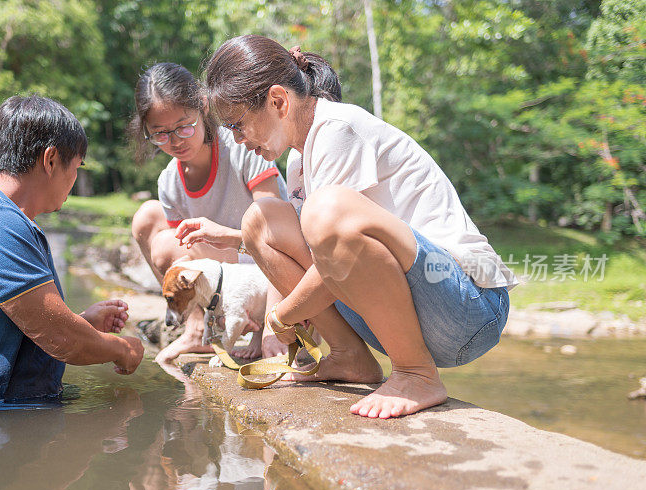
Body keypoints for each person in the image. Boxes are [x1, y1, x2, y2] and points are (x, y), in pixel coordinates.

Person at [205, 35, 518, 419]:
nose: (237, 140)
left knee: (326, 211)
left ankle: (416, 373)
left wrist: (282, 316)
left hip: (469, 305)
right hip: (409, 312)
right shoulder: (298, 163)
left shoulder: (339, 129)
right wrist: (282, 314)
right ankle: (349, 356)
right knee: (260, 221)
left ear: (277, 101)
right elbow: (333, 261)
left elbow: (332, 254)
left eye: (238, 125)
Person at [0, 95, 144, 405]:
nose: (74, 181)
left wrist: (83, 323)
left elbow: (32, 328)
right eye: (75, 168)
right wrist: (122, 349)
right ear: (50, 160)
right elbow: (61, 339)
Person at [128, 62, 289, 363]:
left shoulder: (243, 147)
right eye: (160, 134)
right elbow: (183, 259)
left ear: (202, 107)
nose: (175, 141)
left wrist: (272, 329)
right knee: (148, 220)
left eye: (183, 127)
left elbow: (278, 235)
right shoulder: (170, 182)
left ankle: (268, 323)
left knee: (263, 224)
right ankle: (197, 327)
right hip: (222, 276)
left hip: (269, 265)